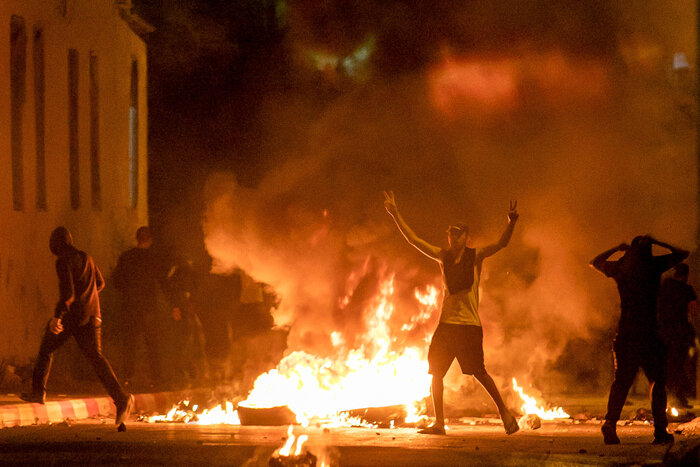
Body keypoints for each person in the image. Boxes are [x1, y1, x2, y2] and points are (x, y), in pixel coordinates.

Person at [384, 191, 520, 435]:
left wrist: (511, 224)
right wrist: (395, 213)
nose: (453, 239)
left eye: (458, 235)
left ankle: (505, 413)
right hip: (446, 325)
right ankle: (439, 424)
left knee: (479, 372)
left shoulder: (475, 256)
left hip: (468, 326)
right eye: (451, 235)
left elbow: (501, 244)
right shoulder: (442, 256)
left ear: (466, 237)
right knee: (436, 373)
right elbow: (414, 240)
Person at [20, 227, 133, 426]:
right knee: (96, 358)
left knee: (47, 346)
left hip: (73, 317)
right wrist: (87, 298)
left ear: (57, 244)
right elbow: (100, 283)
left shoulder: (63, 260)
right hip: (92, 316)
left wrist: (58, 317)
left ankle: (38, 392)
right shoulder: (85, 257)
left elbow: (68, 294)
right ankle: (121, 398)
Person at [591, 235, 688, 445]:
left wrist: (616, 247)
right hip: (649, 335)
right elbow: (683, 254)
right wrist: (659, 242)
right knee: (658, 382)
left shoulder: (621, 269)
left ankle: (610, 423)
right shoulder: (653, 266)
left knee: (622, 382)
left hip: (626, 335)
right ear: (648, 251)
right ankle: (660, 431)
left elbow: (595, 262)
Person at [113, 226, 166, 389]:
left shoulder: (126, 257)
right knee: (153, 345)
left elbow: (117, 281)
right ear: (150, 239)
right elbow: (162, 281)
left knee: (129, 344)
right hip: (148, 308)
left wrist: (129, 292)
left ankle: (127, 378)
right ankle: (156, 380)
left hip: (130, 307)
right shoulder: (153, 258)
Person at [658, 262, 697, 408]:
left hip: (663, 331)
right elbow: (693, 310)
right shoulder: (687, 290)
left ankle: (664, 399)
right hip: (680, 333)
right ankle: (679, 398)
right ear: (686, 275)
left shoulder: (664, 286)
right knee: (679, 365)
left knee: (664, 365)